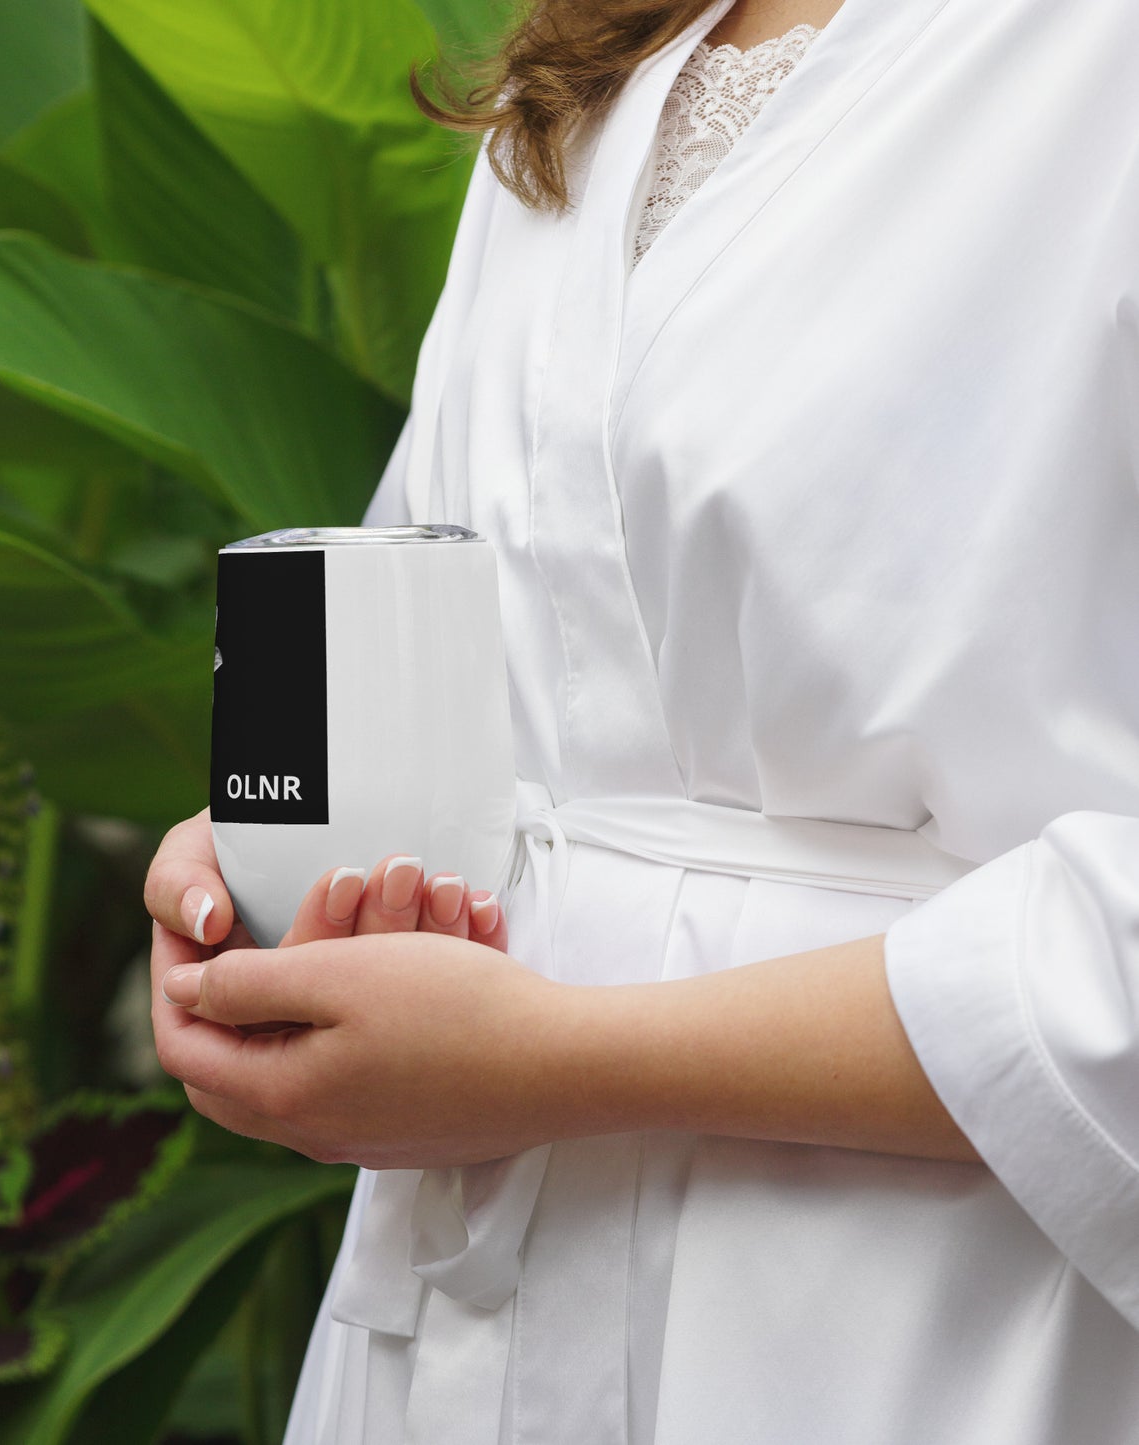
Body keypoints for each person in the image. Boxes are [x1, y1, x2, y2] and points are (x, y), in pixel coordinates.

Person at [145, 0, 1139, 1438]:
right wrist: (271, 862)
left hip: (927, 1316)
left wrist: (560, 1059)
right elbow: (490, 628)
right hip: (473, 1310)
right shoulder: (601, 55)